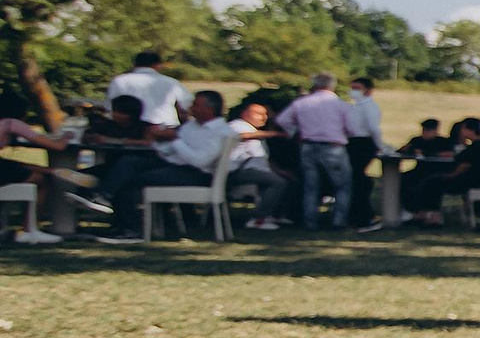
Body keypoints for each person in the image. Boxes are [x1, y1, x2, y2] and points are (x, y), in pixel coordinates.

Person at [100, 89, 233, 242]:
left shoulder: (221, 132)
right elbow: (168, 151)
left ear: (209, 109)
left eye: (195, 105)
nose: (191, 108)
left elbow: (200, 161)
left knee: (131, 180)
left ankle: (132, 229)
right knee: (128, 162)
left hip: (198, 174)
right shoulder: (191, 126)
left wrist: (175, 139)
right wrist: (158, 139)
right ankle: (104, 197)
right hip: (175, 165)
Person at [276, 72, 356, 230]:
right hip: (333, 147)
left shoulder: (302, 103)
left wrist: (294, 131)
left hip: (308, 145)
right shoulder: (341, 105)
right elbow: (352, 129)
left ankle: (310, 221)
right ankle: (338, 221)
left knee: (311, 186)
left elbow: (282, 120)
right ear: (332, 85)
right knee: (342, 186)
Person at [0, 118, 100, 244]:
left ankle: (53, 170)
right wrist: (67, 136)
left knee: (19, 167)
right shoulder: (10, 123)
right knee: (41, 181)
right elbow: (58, 146)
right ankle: (28, 228)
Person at [223, 97, 294, 230]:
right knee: (277, 183)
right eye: (258, 114)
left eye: (265, 114)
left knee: (287, 179)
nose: (263, 117)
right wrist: (274, 134)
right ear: (245, 114)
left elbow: (263, 158)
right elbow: (243, 136)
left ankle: (274, 214)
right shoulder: (237, 125)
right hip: (237, 169)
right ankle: (258, 219)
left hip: (255, 168)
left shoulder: (255, 132)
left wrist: (280, 171)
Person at [343, 75, 386, 230]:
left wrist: (379, 144)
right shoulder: (354, 106)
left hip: (364, 142)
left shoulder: (369, 106)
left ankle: (363, 216)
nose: (353, 91)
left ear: (368, 90)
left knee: (359, 179)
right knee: (356, 179)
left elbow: (374, 128)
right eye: (352, 88)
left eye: (357, 88)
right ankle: (358, 215)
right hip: (353, 142)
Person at [105, 51, 188, 127]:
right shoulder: (171, 82)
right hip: (166, 127)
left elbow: (110, 106)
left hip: (132, 128)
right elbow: (186, 106)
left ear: (135, 64)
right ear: (158, 65)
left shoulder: (120, 80)